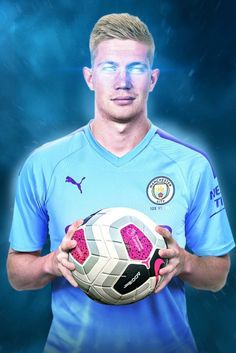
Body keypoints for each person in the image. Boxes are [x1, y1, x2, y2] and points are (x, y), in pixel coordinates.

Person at [7, 13, 235, 353]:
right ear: (89, 77)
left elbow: (218, 275)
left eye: (137, 68)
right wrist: (50, 263)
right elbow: (17, 273)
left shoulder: (191, 165)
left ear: (153, 79)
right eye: (109, 66)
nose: (123, 81)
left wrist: (184, 262)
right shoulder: (45, 164)